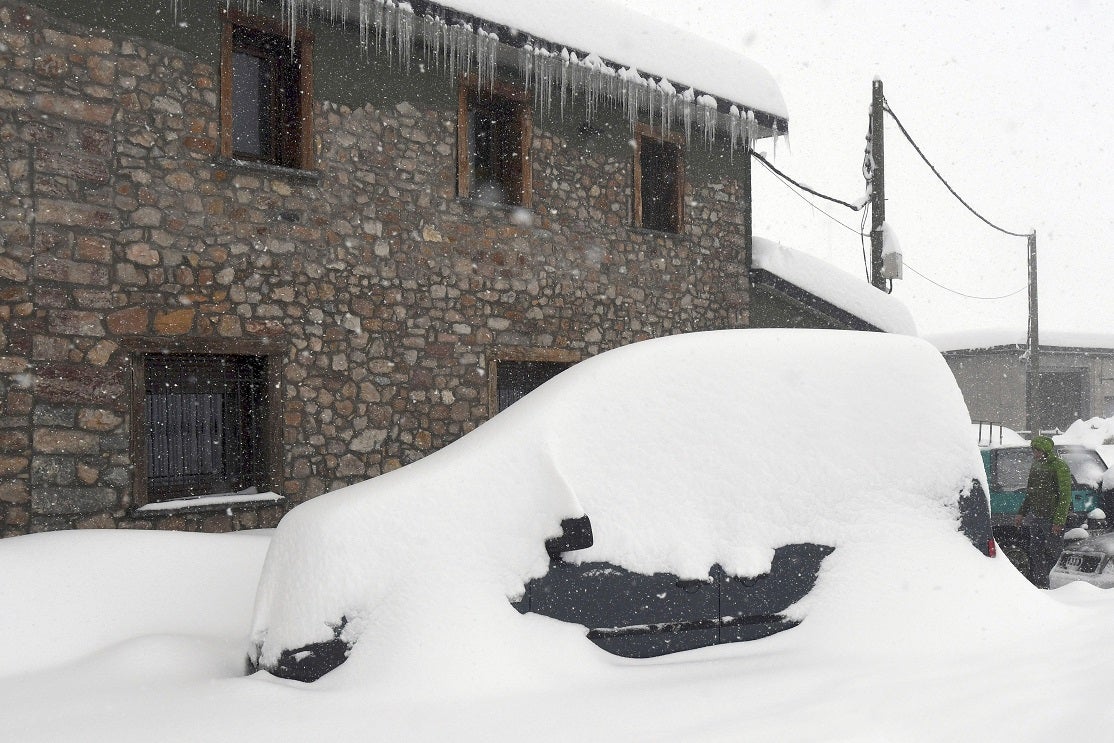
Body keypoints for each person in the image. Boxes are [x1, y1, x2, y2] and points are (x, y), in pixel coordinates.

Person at [1013, 436, 1072, 587]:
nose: (1035, 453)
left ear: (1045, 450)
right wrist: (1022, 512)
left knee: (1054, 552)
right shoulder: (1036, 465)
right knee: (1035, 551)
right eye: (1033, 450)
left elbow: (1065, 495)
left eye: (1038, 450)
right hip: (1036, 516)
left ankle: (1059, 586)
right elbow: (1030, 492)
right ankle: (1042, 585)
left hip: (1052, 518)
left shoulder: (1059, 466)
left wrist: (1058, 521)